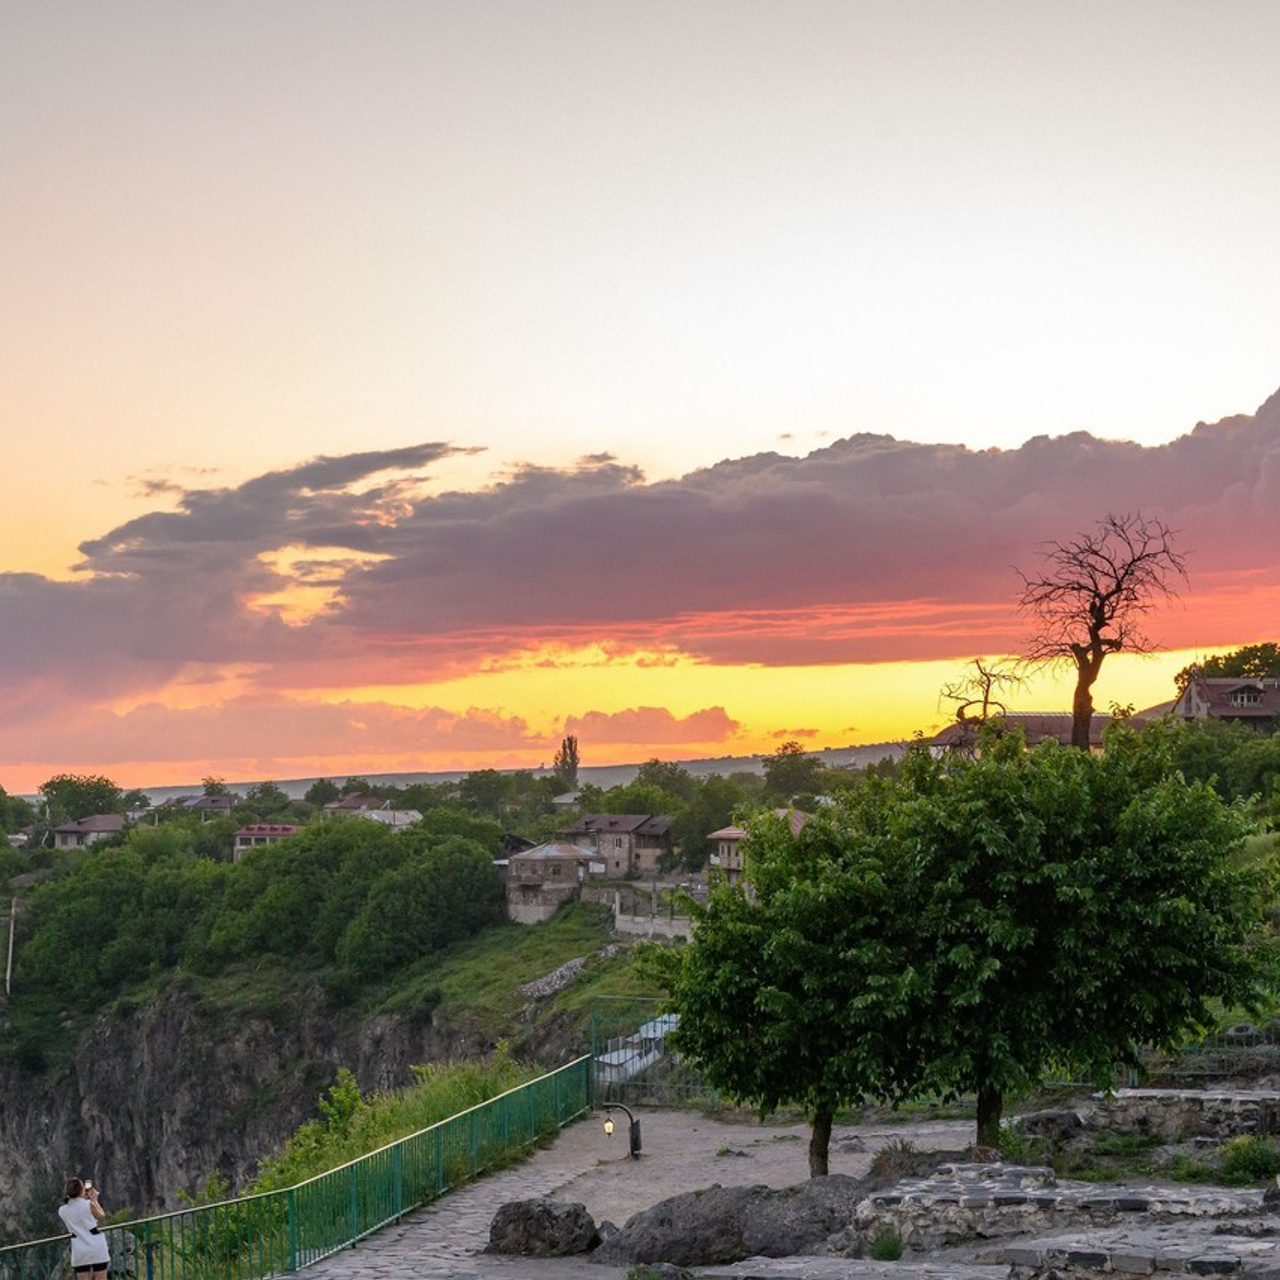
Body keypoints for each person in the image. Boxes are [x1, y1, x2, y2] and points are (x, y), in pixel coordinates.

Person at [58, 1177, 109, 1279]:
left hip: (79, 1250)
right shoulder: (88, 1204)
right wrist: (94, 1200)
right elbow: (101, 1216)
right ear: (82, 1189)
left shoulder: (62, 1210)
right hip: (96, 1247)